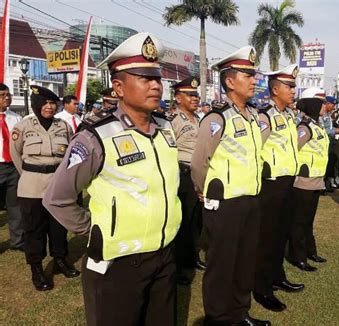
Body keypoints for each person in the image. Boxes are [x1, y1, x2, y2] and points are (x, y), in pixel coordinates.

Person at [43, 32, 182, 325]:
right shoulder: (95, 137)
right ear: (118, 87)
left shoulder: (166, 129)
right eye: (144, 78)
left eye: (157, 78)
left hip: (164, 254)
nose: (156, 85)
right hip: (118, 263)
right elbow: (57, 198)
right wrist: (95, 231)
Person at [191, 46, 270, 326]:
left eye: (253, 75)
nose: (253, 80)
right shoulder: (217, 118)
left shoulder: (252, 118)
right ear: (229, 81)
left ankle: (240, 313)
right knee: (222, 264)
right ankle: (218, 318)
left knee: (244, 262)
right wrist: (204, 191)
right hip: (223, 202)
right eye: (247, 75)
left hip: (250, 199)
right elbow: (199, 162)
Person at [10, 85, 78, 291]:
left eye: (52, 103)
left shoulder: (63, 126)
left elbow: (70, 153)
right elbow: (16, 155)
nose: (49, 107)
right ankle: (37, 268)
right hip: (32, 185)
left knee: (58, 226)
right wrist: (32, 174)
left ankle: (59, 259)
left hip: (57, 185)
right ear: (36, 105)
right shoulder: (23, 127)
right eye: (45, 103)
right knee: (34, 229)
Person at [253, 64, 303, 313]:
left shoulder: (288, 116)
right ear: (275, 89)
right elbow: (254, 150)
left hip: (288, 181)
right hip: (271, 184)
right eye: (289, 86)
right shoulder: (266, 117)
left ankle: (277, 275)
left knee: (281, 233)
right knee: (267, 237)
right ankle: (261, 287)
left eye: (293, 86)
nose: (293, 90)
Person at [287, 90, 328, 271]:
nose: (325, 107)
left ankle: (310, 251)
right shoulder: (304, 128)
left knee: (309, 220)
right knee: (299, 221)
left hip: (316, 180)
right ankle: (298, 256)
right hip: (303, 181)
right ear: (313, 107)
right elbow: (292, 150)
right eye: (322, 104)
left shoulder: (317, 126)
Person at [170, 76, 205, 285]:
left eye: (196, 95)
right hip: (182, 175)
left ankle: (193, 257)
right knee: (181, 222)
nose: (195, 98)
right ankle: (180, 265)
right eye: (190, 95)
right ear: (178, 98)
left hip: (197, 175)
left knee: (195, 221)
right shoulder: (174, 121)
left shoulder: (198, 119)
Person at [0, 83, 23, 251]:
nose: (7, 97)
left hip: (13, 167)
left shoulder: (15, 118)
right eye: (2, 95)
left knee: (15, 205)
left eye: (8, 94)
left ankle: (18, 241)